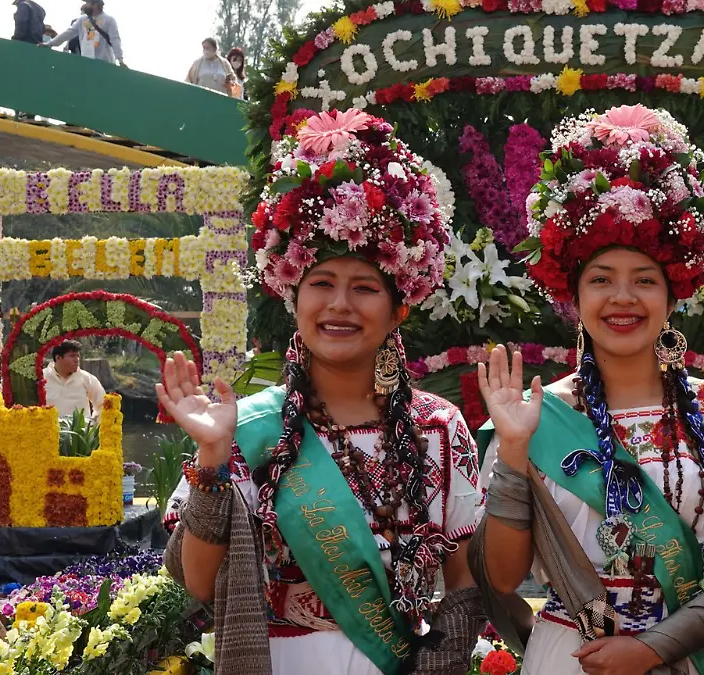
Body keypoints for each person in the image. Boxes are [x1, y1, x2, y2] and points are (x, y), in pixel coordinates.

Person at [161, 109, 483, 675]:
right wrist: (212, 457)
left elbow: (464, 582)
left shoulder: (438, 428)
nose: (339, 305)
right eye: (322, 285)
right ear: (292, 294)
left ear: (397, 308)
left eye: (364, 288)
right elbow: (196, 580)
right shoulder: (246, 428)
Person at [472, 104, 704, 675]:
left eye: (645, 281)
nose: (623, 298)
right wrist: (512, 453)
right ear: (574, 298)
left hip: (689, 649)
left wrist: (657, 646)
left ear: (672, 296)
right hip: (573, 655)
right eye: (602, 280)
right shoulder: (537, 417)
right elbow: (504, 578)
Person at [44, 1, 124, 66]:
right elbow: (68, 33)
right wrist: (49, 44)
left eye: (87, 3)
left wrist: (120, 60)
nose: (85, 5)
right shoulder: (83, 20)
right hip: (86, 62)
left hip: (105, 62)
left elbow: (115, 40)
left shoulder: (109, 20)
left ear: (95, 4)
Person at [43, 340, 105, 420]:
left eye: (77, 356)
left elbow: (103, 404)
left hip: (81, 431)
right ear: (58, 357)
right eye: (72, 356)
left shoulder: (87, 378)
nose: (77, 360)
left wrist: (93, 424)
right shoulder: (42, 378)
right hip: (50, 430)